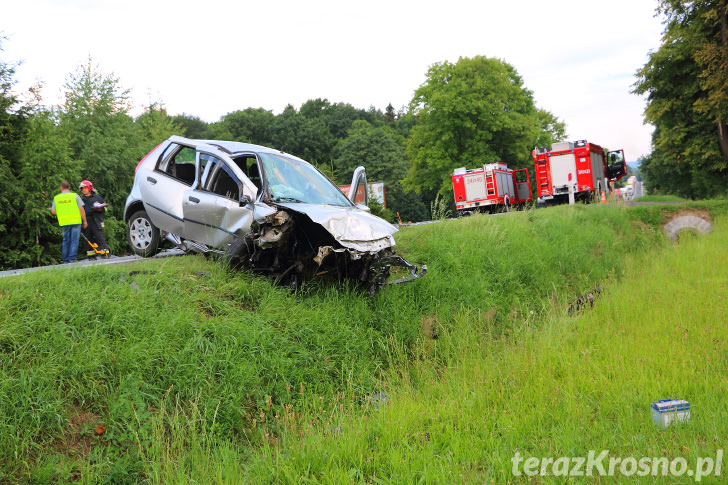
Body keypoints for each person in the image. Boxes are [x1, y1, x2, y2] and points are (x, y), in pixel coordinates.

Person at [51, 181, 87, 263]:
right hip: (76, 221)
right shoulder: (74, 196)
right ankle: (72, 259)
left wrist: (62, 211)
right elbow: (81, 209)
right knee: (74, 240)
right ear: (69, 188)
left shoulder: (56, 198)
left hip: (64, 222)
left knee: (66, 240)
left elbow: (53, 211)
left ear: (61, 188)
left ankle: (65, 259)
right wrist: (85, 221)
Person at [78, 180, 110, 256]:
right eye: (82, 188)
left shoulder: (97, 198)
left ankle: (105, 252)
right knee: (88, 239)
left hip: (96, 220)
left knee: (99, 237)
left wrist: (101, 209)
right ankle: (91, 255)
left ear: (89, 188)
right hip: (86, 220)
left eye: (85, 188)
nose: (84, 190)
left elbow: (105, 209)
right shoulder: (80, 199)